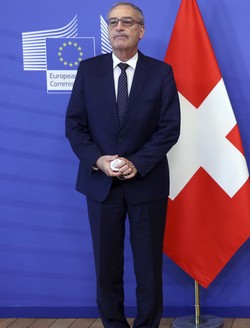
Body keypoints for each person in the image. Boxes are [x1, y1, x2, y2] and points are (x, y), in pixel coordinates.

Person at [65, 2, 180, 327]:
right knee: (107, 266)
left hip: (147, 183)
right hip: (100, 185)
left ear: (141, 31)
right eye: (113, 22)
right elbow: (74, 125)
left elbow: (169, 127)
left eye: (127, 22)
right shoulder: (89, 70)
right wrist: (97, 160)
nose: (118, 27)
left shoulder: (161, 73)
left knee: (148, 268)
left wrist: (138, 163)